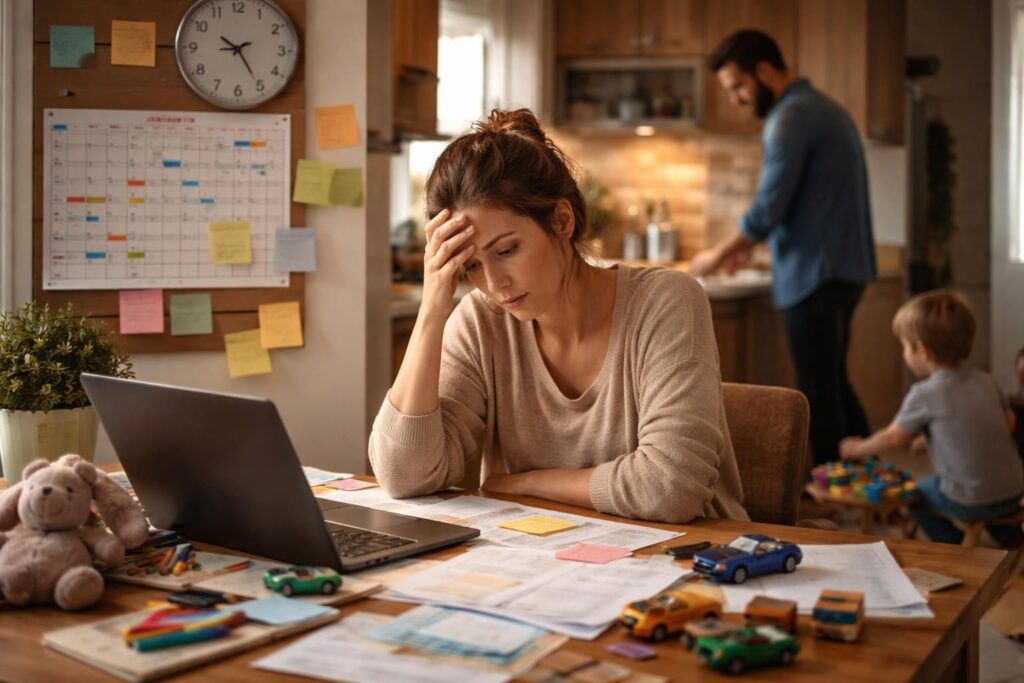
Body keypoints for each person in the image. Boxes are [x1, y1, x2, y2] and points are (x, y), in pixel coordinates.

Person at [368, 109, 747, 524]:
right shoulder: (482, 321)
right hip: (551, 561)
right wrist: (431, 311)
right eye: (471, 266)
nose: (495, 284)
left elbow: (668, 489)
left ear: (561, 221)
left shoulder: (665, 301)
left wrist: (528, 483)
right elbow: (402, 476)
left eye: (507, 250)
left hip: (696, 561)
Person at [689, 30, 877, 467]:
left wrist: (716, 254)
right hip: (843, 271)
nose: (737, 98)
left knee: (817, 389)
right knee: (832, 382)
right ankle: (866, 479)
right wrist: (749, 248)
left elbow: (768, 207)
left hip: (816, 275)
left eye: (738, 86)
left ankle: (833, 491)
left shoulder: (790, 118)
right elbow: (810, 205)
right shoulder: (826, 109)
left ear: (765, 71)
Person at [839, 291, 1024, 546]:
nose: (904, 352)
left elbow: (893, 438)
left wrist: (858, 448)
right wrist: (935, 439)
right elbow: (1007, 424)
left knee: (916, 495)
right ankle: (1009, 537)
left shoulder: (924, 394)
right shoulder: (986, 380)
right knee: (984, 485)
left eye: (904, 345)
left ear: (922, 350)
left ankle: (953, 543)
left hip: (969, 499)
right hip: (1015, 489)